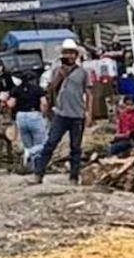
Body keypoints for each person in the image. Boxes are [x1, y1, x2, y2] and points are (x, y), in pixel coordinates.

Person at [31, 39, 91, 184]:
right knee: (51, 143)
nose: (68, 56)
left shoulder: (83, 73)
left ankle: (74, 177)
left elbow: (89, 93)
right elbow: (50, 89)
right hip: (60, 113)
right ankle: (38, 173)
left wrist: (89, 112)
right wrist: (59, 77)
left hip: (77, 114)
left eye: (71, 53)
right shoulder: (57, 71)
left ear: (76, 55)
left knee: (75, 147)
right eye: (66, 53)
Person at [7, 70, 47, 169]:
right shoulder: (38, 89)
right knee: (41, 143)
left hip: (20, 116)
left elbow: (11, 104)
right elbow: (44, 103)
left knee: (27, 144)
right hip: (34, 114)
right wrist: (43, 114)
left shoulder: (16, 89)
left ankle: (31, 166)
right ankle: (35, 160)